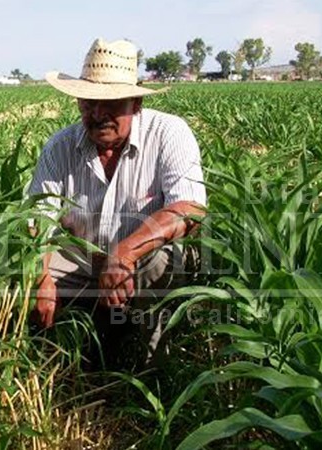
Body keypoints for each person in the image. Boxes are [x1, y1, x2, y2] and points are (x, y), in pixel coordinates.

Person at [28, 38, 207, 368]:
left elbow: (190, 208)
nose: (98, 115)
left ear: (136, 103)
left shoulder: (168, 133)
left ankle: (150, 366)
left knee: (163, 261)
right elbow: (37, 219)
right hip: (82, 262)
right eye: (89, 103)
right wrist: (39, 278)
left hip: (140, 262)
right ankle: (51, 362)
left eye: (111, 104)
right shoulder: (60, 147)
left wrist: (124, 253)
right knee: (21, 271)